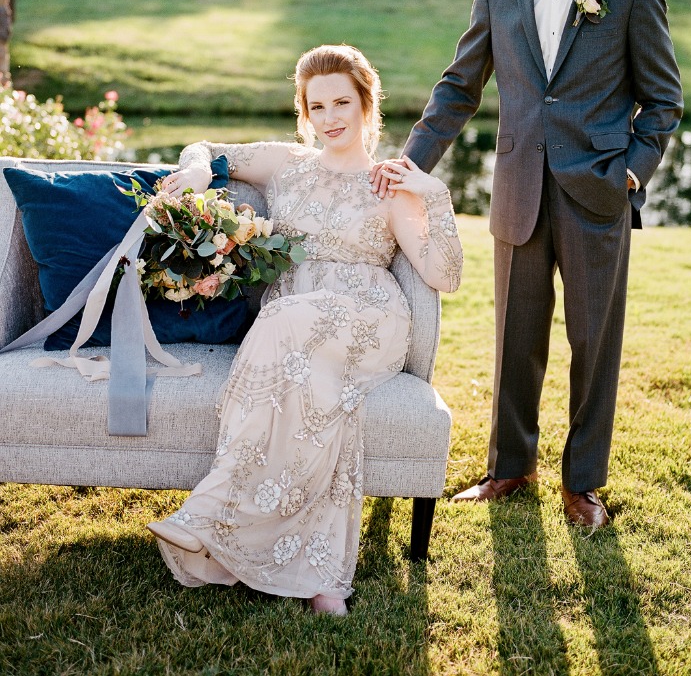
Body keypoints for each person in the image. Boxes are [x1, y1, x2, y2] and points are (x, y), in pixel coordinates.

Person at [372, 0, 683, 528]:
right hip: (516, 189)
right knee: (515, 336)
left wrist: (631, 173)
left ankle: (584, 483)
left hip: (598, 188)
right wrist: (410, 164)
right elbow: (459, 89)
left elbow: (662, 101)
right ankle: (509, 466)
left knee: (592, 339)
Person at [146, 44, 463, 615]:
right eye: (318, 107)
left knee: (287, 323)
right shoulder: (286, 165)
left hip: (367, 317)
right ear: (304, 112)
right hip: (289, 321)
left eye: (342, 102)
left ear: (368, 103)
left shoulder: (387, 184)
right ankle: (316, 574)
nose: (331, 118)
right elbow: (208, 148)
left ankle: (210, 514)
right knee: (316, 393)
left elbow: (445, 275)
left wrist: (434, 197)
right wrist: (197, 169)